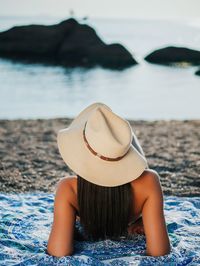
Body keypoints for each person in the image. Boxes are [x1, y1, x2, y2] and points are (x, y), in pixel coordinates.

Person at [47, 102, 171, 257]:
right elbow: (159, 253)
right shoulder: (149, 182)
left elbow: (59, 253)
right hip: (130, 216)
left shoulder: (68, 189)